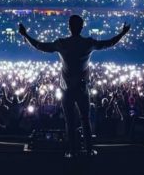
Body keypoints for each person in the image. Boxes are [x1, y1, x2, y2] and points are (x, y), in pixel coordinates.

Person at [18, 15, 130, 158]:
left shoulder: (62, 43)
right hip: (82, 89)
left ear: (69, 27)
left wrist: (25, 34)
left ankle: (72, 151)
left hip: (66, 88)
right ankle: (89, 150)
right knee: (85, 119)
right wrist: (122, 33)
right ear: (82, 27)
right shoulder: (88, 43)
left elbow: (40, 46)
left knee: (69, 121)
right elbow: (108, 43)